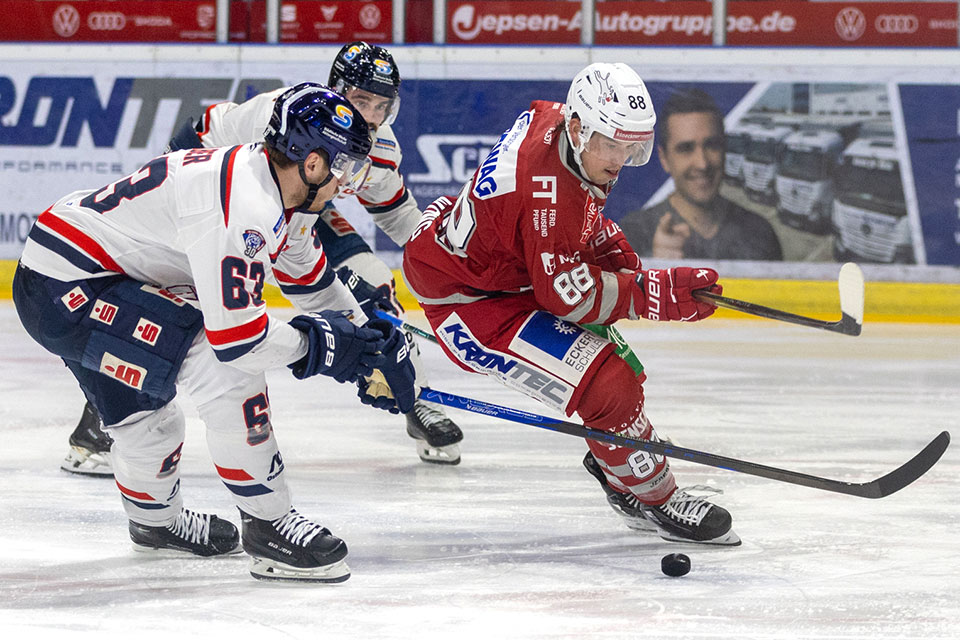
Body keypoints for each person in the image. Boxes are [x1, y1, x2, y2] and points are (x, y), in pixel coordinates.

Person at [14, 83, 417, 582]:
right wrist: (330, 348)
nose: (349, 183)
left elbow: (311, 281)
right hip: (69, 289)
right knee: (224, 369)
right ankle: (269, 523)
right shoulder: (244, 206)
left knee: (149, 421)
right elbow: (238, 340)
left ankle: (154, 524)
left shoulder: (278, 186)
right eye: (346, 167)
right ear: (312, 163)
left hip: (81, 276)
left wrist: (369, 344)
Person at [59, 42, 463, 474]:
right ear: (337, 90)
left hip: (303, 206)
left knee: (374, 283)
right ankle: (100, 425)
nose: (372, 116)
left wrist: (441, 263)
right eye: (362, 100)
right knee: (175, 310)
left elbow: (397, 211)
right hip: (219, 198)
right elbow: (208, 163)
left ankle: (410, 396)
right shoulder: (287, 115)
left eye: (383, 106)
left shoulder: (379, 149)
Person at [402, 63, 740, 545]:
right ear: (580, 128)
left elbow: (562, 219)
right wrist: (652, 293)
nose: (622, 159)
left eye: (633, 146)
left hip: (498, 268)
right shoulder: (549, 190)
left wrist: (614, 253)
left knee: (619, 369)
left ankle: (615, 458)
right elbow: (567, 293)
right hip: (472, 301)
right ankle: (656, 499)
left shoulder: (561, 126)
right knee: (608, 388)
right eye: (614, 144)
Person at [619, 88, 782, 261]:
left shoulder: (760, 234)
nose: (702, 163)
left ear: (725, 150)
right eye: (686, 148)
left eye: (712, 145)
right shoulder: (631, 235)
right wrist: (654, 269)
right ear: (664, 158)